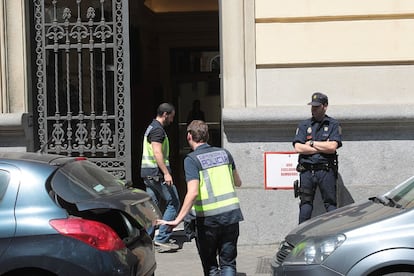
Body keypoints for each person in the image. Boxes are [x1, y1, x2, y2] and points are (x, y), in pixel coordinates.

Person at [158, 120, 243, 276]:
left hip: (208, 221)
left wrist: (178, 220)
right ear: (207, 135)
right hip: (231, 216)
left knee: (211, 267)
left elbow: (193, 192)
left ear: (189, 136)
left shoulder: (191, 160)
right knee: (228, 264)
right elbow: (238, 182)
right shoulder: (224, 153)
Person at [293, 92, 342, 224]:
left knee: (331, 204)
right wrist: (322, 147)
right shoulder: (304, 125)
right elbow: (298, 147)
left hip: (325, 171)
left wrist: (312, 144)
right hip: (307, 170)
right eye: (312, 107)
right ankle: (300, 236)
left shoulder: (333, 124)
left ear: (325, 106)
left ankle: (334, 233)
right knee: (305, 204)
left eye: (316, 107)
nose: (313, 109)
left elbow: (332, 147)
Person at [141, 102, 180, 252]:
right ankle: (161, 237)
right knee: (174, 202)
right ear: (165, 114)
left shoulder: (151, 127)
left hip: (148, 174)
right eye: (171, 116)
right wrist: (166, 173)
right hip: (157, 174)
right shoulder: (157, 130)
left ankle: (148, 237)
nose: (172, 119)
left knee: (153, 206)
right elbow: (157, 153)